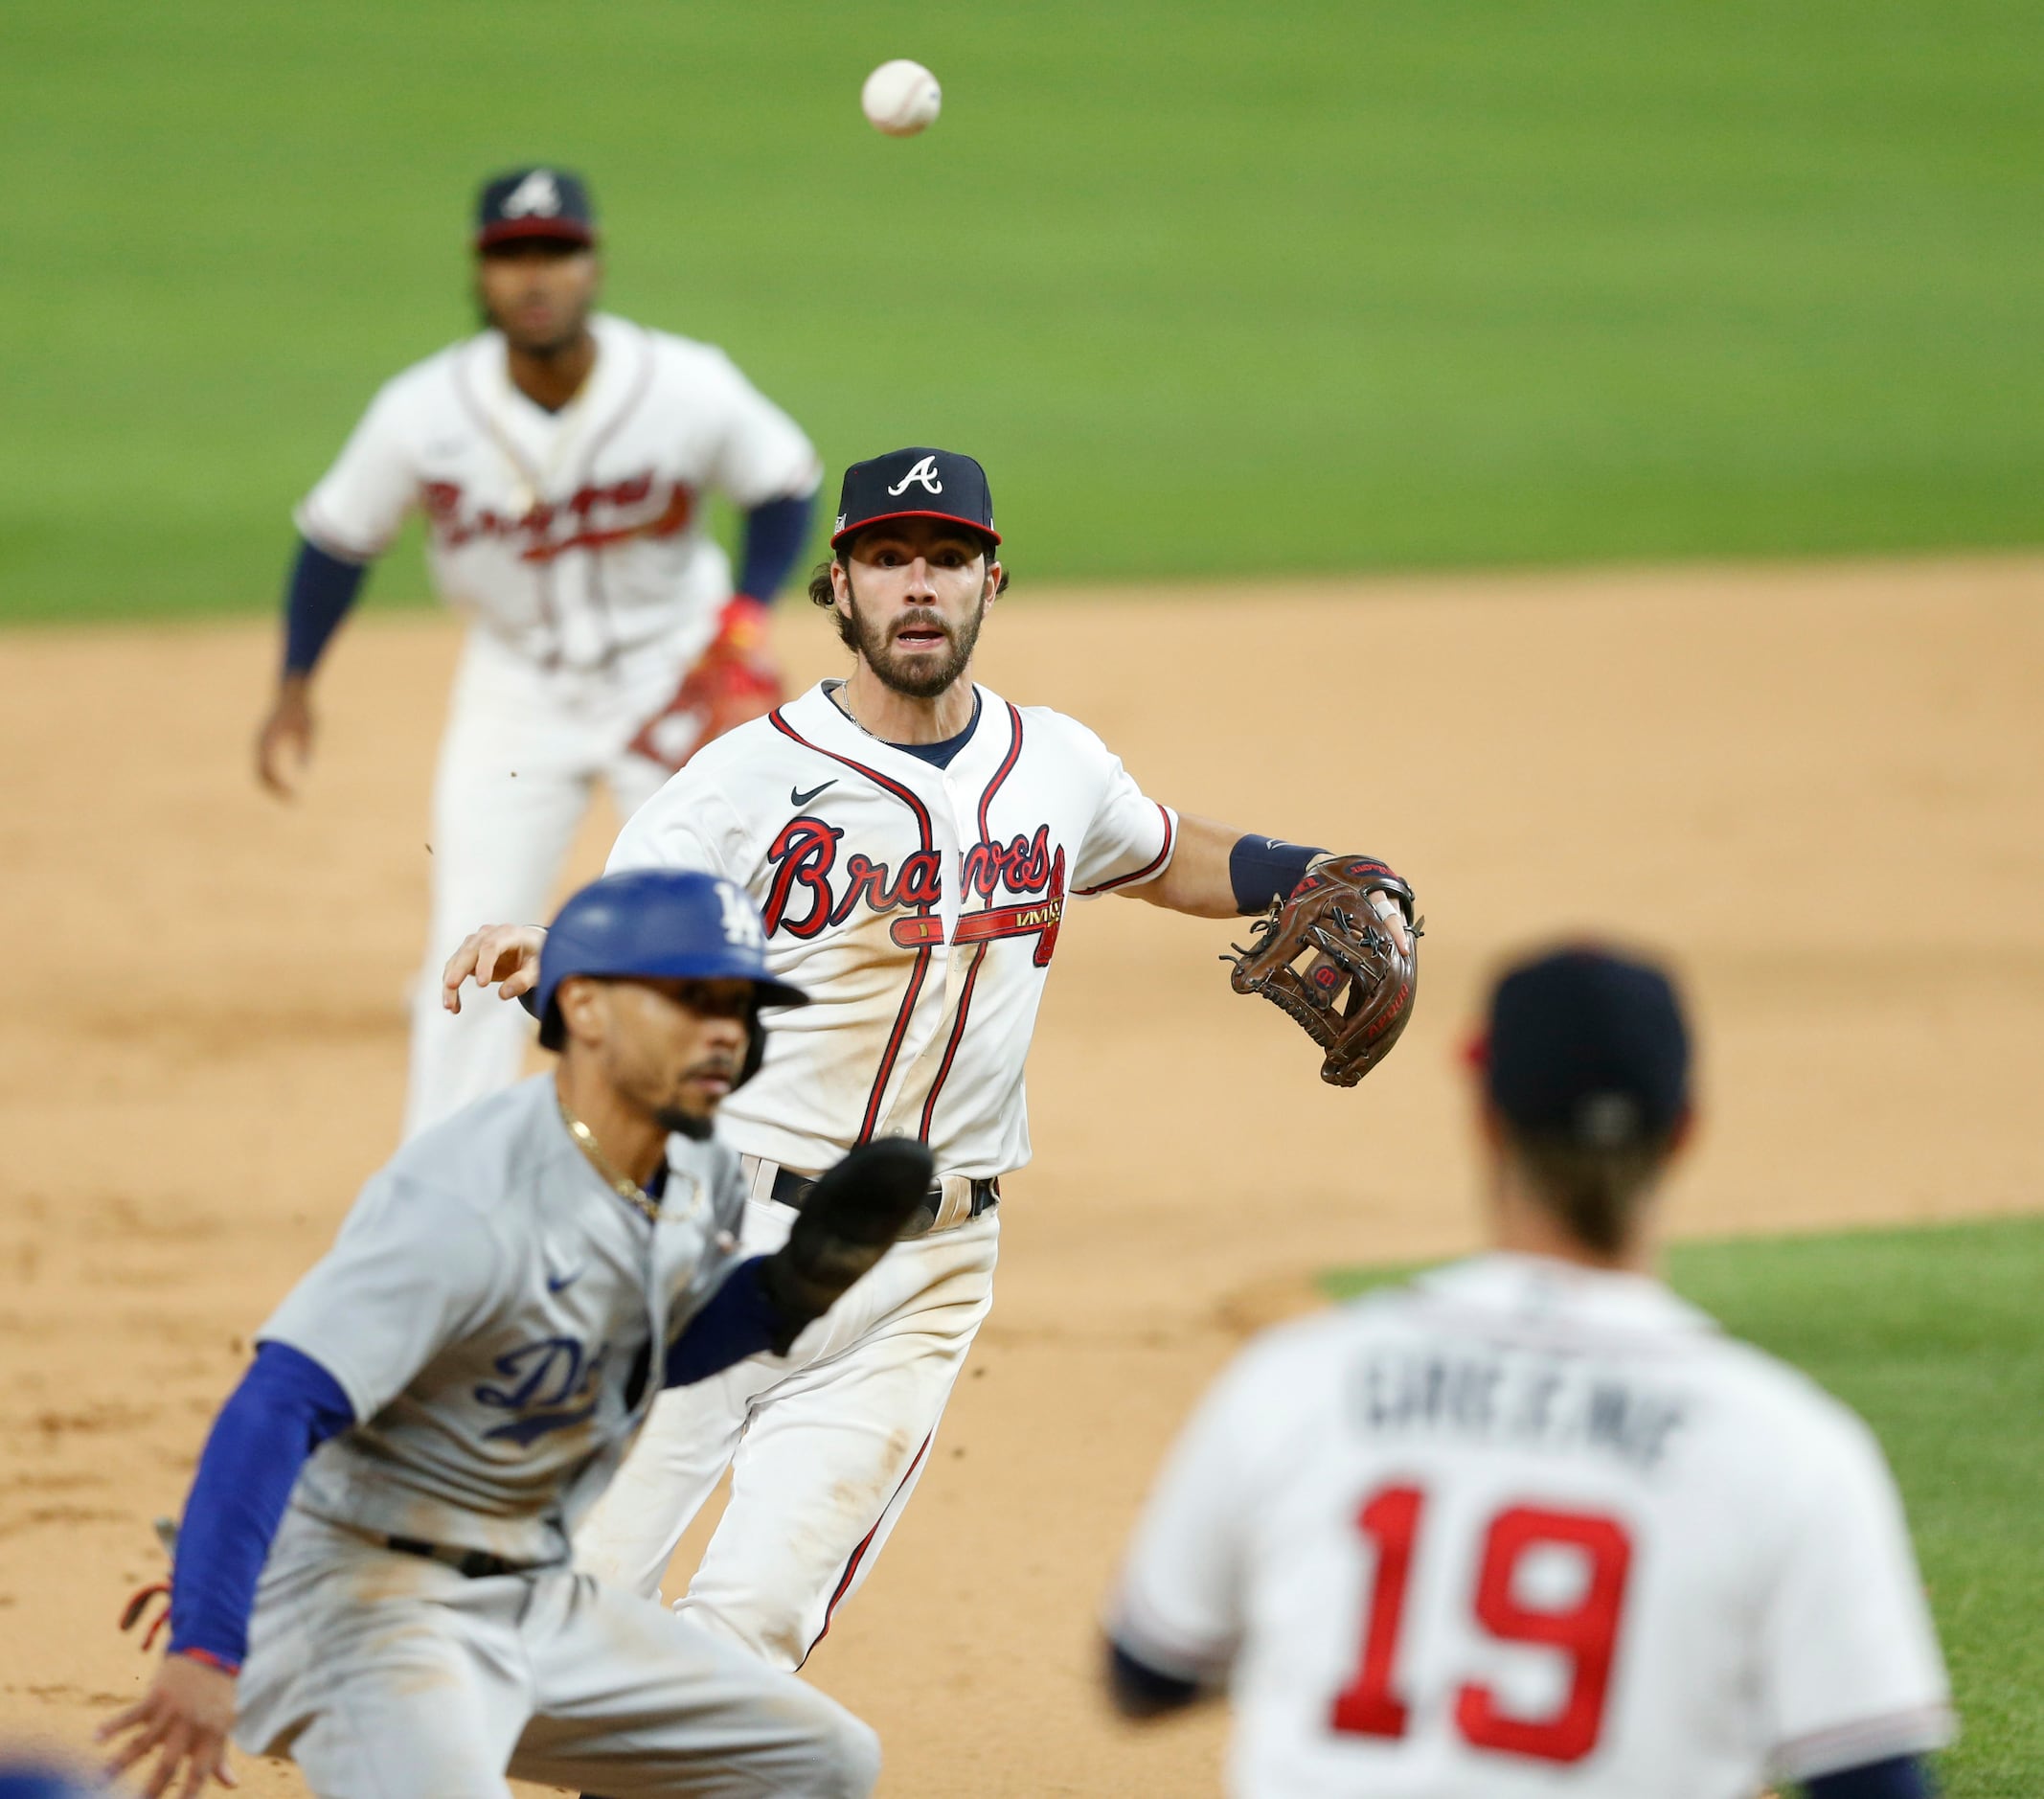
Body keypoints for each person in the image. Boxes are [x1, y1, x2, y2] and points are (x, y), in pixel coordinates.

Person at [439, 444, 1419, 1673]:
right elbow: (632, 924)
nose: (918, 585)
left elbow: (1161, 851)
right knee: (544, 1619)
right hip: (709, 1242)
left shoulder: (1054, 764)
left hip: (924, 1277)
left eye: (946, 560)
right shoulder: (747, 781)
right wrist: (558, 943)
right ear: (837, 588)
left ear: (989, 582)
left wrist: (1312, 868)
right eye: (886, 559)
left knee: (747, 1645)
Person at [98, 869, 938, 1799]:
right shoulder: (466, 1202)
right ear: (581, 1006)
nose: (725, 1030)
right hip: (362, 1610)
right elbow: (275, 1405)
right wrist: (208, 1643)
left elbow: (642, 1348)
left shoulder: (694, 1161)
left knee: (819, 1761)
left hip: (533, 1592)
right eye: (692, 999)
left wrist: (786, 1293)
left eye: (740, 1003)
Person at [1104, 945, 1955, 1798]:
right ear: (1686, 1131)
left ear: (1484, 1119)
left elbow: (1145, 1675)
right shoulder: (1790, 1451)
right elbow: (1873, 1779)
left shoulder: (1299, 1384)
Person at [253, 166, 822, 1139]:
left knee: (720, 934)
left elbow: (787, 483)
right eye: (511, 257)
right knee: (472, 939)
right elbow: (336, 540)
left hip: (675, 681)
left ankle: (752, 1168)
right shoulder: (421, 411)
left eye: (554, 251)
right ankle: (444, 1198)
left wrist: (743, 623)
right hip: (516, 691)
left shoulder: (683, 383)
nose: (535, 276)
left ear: (593, 263)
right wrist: (295, 684)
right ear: (481, 276)